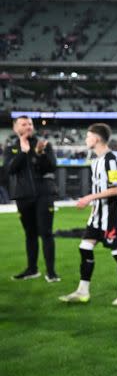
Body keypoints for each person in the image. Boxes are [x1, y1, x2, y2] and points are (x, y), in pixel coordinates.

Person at [59, 123, 117, 305]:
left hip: (114, 217)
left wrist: (89, 197)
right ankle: (83, 291)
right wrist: (94, 207)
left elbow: (116, 190)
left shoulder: (110, 160)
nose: (85, 139)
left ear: (97, 138)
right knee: (84, 248)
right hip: (98, 216)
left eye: (88, 136)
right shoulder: (96, 160)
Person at [3, 115, 59, 282]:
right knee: (30, 234)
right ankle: (32, 269)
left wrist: (40, 155)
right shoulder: (10, 148)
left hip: (44, 194)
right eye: (24, 124)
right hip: (23, 197)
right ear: (15, 128)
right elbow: (10, 170)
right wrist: (23, 152)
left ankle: (51, 272)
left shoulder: (44, 145)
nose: (28, 126)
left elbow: (52, 167)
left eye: (30, 123)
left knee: (46, 233)